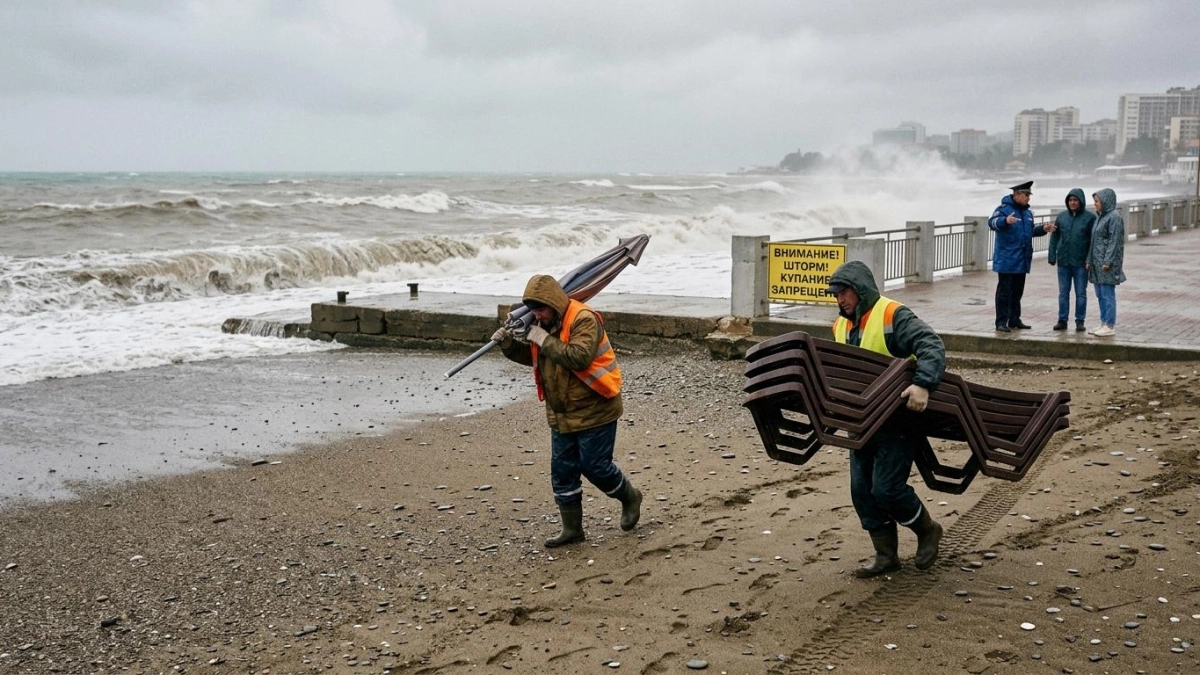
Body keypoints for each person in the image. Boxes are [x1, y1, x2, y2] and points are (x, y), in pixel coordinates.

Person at [492, 274, 642, 547]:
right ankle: (572, 530)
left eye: (541, 309)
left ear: (554, 303)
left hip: (596, 406)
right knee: (562, 472)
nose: (536, 315)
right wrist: (509, 346)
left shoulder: (583, 318)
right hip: (561, 411)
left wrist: (538, 337)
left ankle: (630, 497)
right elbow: (537, 355)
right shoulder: (540, 322)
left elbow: (578, 356)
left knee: (595, 467)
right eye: (533, 310)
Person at [826, 260, 947, 577]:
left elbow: (930, 344)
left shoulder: (892, 314)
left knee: (887, 488)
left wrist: (923, 384)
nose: (840, 300)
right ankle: (886, 555)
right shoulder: (840, 326)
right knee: (861, 491)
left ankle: (927, 531)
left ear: (861, 290)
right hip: (861, 421)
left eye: (845, 292)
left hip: (896, 420)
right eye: (836, 294)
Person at [988, 181, 1053, 332]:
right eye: (1025, 195)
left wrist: (1043, 229)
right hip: (1006, 259)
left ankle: (1014, 319)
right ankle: (1001, 322)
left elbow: (1030, 232)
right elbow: (992, 223)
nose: (1028, 198)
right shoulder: (1003, 209)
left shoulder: (1027, 213)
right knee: (1004, 293)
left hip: (1022, 260)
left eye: (1029, 195)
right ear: (1016, 194)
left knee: (1017, 292)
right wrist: (1005, 220)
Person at [1048, 188, 1096, 332]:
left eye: (1075, 200)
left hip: (1081, 263)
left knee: (1081, 293)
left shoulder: (1090, 218)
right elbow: (1055, 237)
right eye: (1070, 200)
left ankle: (1080, 321)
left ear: (1081, 201)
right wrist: (1052, 256)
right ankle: (1062, 320)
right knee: (1063, 293)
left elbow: (1092, 242)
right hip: (1064, 261)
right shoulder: (1062, 217)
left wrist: (1089, 259)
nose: (1072, 203)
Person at [1086, 188, 1126, 337]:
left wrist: (1107, 261)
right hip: (1096, 264)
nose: (1095, 204)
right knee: (1100, 294)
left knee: (1108, 294)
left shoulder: (1114, 217)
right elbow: (1094, 241)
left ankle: (1110, 324)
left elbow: (1114, 242)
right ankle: (1103, 322)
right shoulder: (1100, 217)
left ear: (1105, 201)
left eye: (1097, 201)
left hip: (1106, 264)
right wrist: (1089, 260)